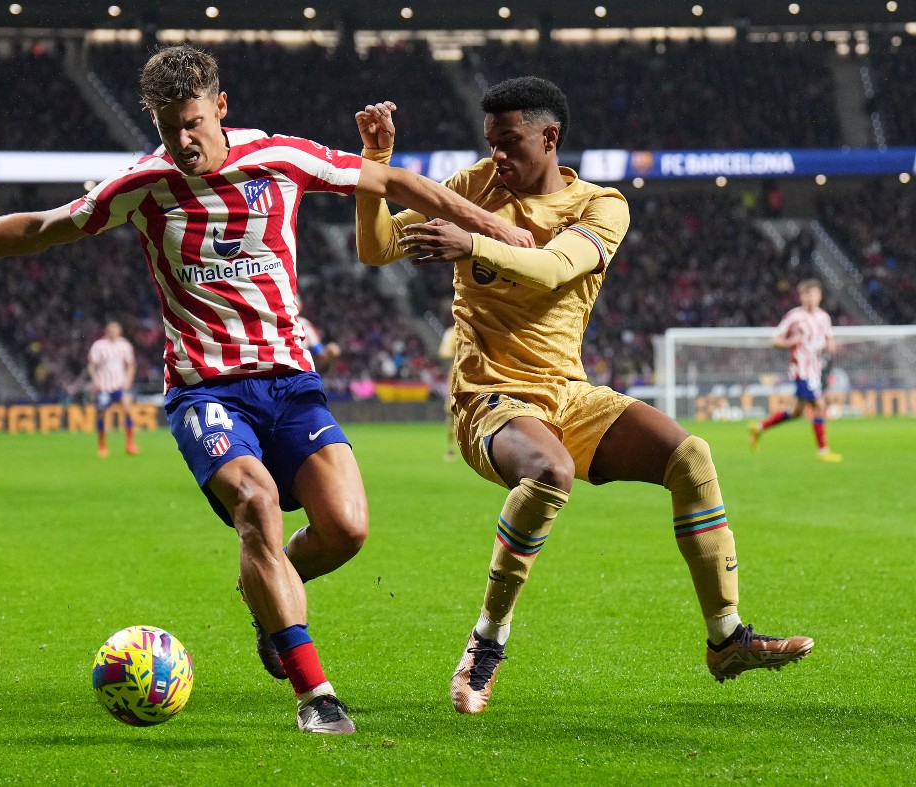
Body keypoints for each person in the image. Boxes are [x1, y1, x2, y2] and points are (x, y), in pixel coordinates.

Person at [0, 45, 527, 735]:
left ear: (221, 108)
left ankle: (265, 593)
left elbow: (401, 185)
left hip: (293, 383)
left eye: (194, 123)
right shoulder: (142, 185)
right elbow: (39, 228)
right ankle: (316, 694)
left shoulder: (280, 157)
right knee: (257, 502)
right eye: (168, 126)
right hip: (207, 392)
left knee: (348, 529)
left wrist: (502, 230)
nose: (183, 141)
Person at [354, 79, 814, 715]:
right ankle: (487, 642)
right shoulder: (473, 187)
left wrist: (472, 243)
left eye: (510, 143)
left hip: (567, 394)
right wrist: (375, 166)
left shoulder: (602, 206)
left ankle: (726, 638)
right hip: (490, 394)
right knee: (549, 472)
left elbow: (552, 267)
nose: (497, 159)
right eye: (490, 145)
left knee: (692, 458)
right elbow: (376, 249)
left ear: (550, 137)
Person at [749, 279, 841, 462]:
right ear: (800, 297)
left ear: (820, 296)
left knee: (796, 412)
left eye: (813, 294)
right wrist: (789, 342)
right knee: (819, 406)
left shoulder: (824, 317)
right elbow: (775, 340)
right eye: (805, 295)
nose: (809, 298)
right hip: (801, 370)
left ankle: (758, 428)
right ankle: (823, 451)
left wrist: (831, 345)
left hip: (816, 369)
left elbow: (828, 337)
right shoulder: (794, 317)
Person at [88, 320, 139, 457]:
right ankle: (102, 445)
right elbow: (92, 366)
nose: (113, 332)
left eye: (115, 330)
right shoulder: (99, 346)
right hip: (104, 387)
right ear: (106, 331)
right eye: (110, 330)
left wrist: (128, 380)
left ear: (119, 331)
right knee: (101, 413)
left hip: (120, 385)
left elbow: (131, 365)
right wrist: (96, 381)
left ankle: (130, 443)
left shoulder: (124, 345)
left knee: (128, 409)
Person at [438, 324, 458, 461]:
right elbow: (444, 352)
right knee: (451, 413)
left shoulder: (477, 326)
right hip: (456, 377)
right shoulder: (451, 332)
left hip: (479, 375)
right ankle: (451, 447)